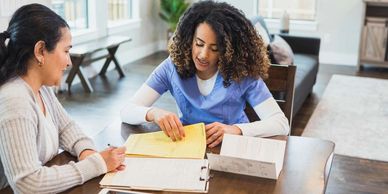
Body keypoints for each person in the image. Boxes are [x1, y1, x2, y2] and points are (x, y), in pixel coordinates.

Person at [121, 1, 289, 148]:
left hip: (232, 147)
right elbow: (126, 110)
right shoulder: (171, 67)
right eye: (199, 43)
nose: (203, 55)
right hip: (188, 146)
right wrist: (153, 113)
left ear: (229, 50)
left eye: (214, 49)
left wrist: (236, 130)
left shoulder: (241, 72)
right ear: (189, 39)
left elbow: (280, 123)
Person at [0, 4, 126, 193]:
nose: (69, 62)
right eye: (66, 51)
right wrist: (96, 164)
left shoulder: (41, 89)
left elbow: (66, 128)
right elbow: (28, 183)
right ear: (40, 50)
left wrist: (87, 152)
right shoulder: (14, 100)